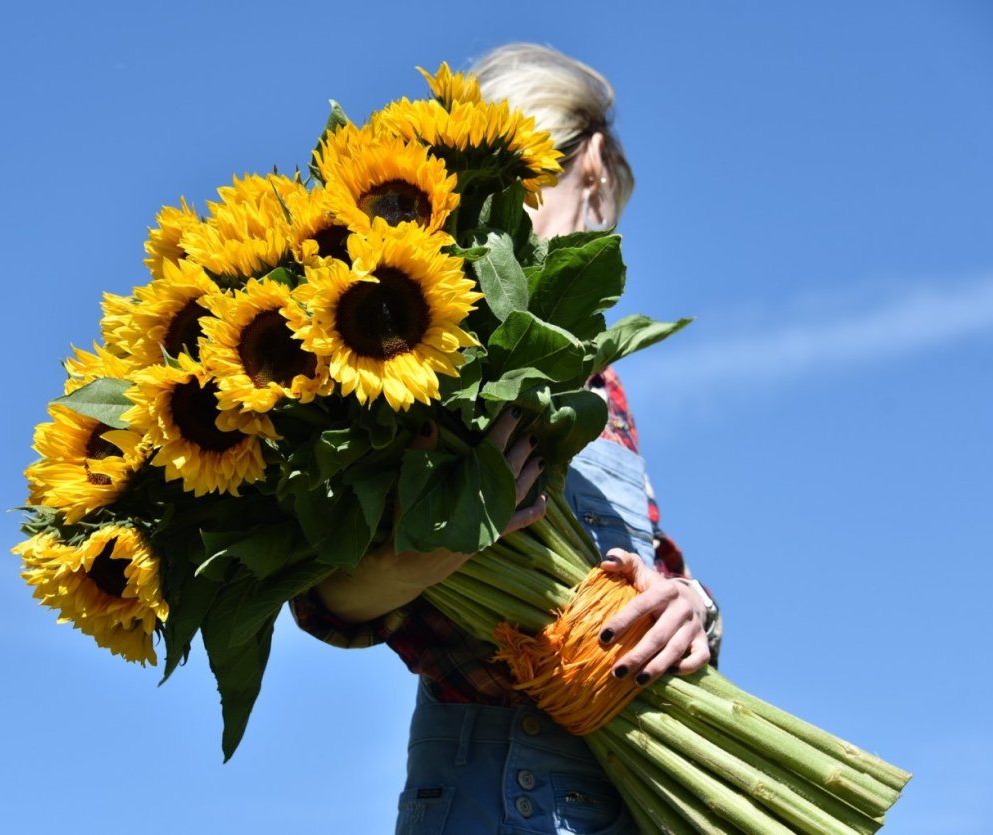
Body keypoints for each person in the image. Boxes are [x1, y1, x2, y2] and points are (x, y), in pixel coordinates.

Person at [292, 43, 722, 834]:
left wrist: (692, 606)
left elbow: (645, 558)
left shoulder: (599, 381)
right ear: (593, 165)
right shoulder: (406, 349)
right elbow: (325, 597)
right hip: (494, 787)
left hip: (632, 792)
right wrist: (424, 554)